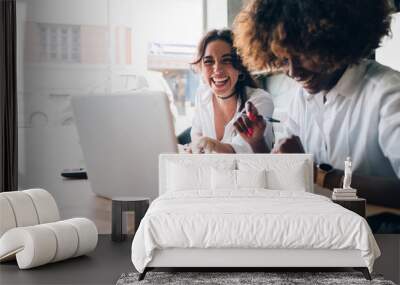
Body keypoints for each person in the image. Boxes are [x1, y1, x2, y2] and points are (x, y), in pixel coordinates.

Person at [232, 0, 400, 208]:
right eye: (283, 59)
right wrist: (257, 142)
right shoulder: (301, 98)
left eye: (303, 55)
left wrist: (318, 174)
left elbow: (306, 173)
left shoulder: (389, 93)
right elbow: (284, 175)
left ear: (334, 42)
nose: (294, 72)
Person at [189, 29, 274, 154]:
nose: (217, 69)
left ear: (240, 67)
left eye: (226, 60)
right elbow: (196, 134)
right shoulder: (202, 95)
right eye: (208, 61)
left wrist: (210, 144)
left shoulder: (259, 100)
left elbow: (244, 151)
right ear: (201, 67)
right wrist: (197, 146)